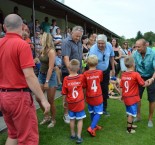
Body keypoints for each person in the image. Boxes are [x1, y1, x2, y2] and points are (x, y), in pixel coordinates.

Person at [0, 14, 50, 145]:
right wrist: (43, 100)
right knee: (28, 139)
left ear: (4, 27)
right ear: (22, 27)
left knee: (13, 134)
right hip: (18, 97)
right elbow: (29, 75)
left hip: (3, 96)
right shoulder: (22, 45)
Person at [120, 56, 148, 133]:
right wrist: (149, 82)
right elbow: (142, 84)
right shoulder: (135, 74)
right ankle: (129, 129)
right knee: (131, 114)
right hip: (132, 98)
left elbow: (121, 86)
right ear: (133, 64)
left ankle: (131, 125)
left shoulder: (123, 74)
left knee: (129, 112)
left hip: (126, 97)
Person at [61, 26, 83, 123]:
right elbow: (66, 58)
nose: (78, 38)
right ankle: (66, 114)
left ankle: (75, 110)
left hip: (77, 71)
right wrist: (71, 73)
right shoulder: (66, 42)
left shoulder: (79, 42)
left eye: (79, 37)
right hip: (68, 72)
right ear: (72, 33)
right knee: (67, 93)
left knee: (76, 93)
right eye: (76, 36)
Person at [89, 34, 115, 116]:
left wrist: (113, 68)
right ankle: (94, 108)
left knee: (104, 89)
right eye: (99, 43)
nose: (100, 45)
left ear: (106, 42)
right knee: (95, 90)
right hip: (95, 71)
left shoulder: (109, 46)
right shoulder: (93, 49)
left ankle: (104, 109)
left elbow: (112, 56)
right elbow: (91, 63)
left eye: (102, 43)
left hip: (106, 70)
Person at [62, 59, 86, 144]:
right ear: (78, 68)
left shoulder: (66, 79)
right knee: (80, 119)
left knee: (72, 119)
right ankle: (79, 137)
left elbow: (64, 92)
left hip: (70, 102)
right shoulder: (81, 77)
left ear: (69, 68)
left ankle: (72, 134)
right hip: (79, 101)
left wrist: (64, 101)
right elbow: (84, 87)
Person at [133, 39, 155, 127]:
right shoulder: (135, 54)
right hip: (140, 76)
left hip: (151, 76)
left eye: (139, 47)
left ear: (145, 45)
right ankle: (138, 116)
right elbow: (133, 67)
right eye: (136, 46)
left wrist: (152, 79)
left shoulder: (153, 53)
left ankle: (150, 119)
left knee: (152, 99)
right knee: (137, 97)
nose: (137, 48)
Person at [37, 32, 57, 128]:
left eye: (41, 39)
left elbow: (50, 68)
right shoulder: (42, 50)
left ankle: (53, 119)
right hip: (41, 75)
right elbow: (39, 60)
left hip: (50, 77)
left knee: (50, 100)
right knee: (38, 98)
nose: (39, 40)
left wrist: (47, 82)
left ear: (45, 40)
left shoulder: (51, 51)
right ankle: (46, 116)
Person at [83, 55, 103, 137]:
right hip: (97, 95)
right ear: (97, 63)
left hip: (89, 95)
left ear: (87, 63)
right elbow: (100, 80)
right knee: (98, 112)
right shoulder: (100, 72)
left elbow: (84, 85)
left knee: (92, 111)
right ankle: (91, 127)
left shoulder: (85, 74)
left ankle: (94, 125)